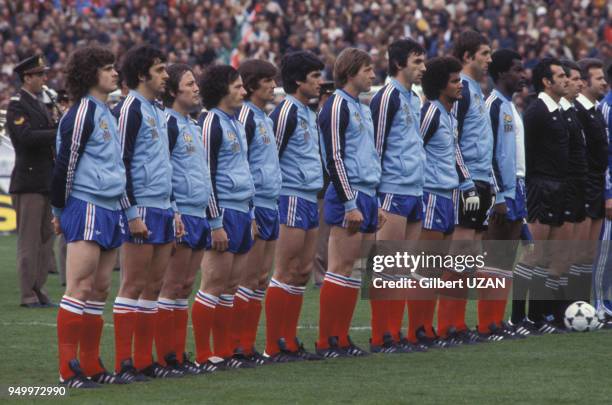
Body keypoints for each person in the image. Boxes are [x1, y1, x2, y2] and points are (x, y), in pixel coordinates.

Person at [51, 45, 128, 387]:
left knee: (99, 290)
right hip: (86, 205)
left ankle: (91, 365)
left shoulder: (107, 112)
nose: (115, 73)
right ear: (89, 74)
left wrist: (125, 207)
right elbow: (64, 164)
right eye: (108, 68)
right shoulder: (81, 112)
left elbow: (117, 166)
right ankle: (67, 370)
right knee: (79, 288)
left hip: (111, 207)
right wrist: (60, 210)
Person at [111, 45, 182, 380]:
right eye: (159, 69)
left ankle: (143, 360)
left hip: (163, 207)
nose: (166, 74)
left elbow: (164, 164)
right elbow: (120, 162)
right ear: (142, 75)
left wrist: (174, 208)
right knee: (133, 284)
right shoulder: (131, 109)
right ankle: (125, 362)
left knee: (154, 286)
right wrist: (130, 212)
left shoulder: (156, 109)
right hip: (140, 208)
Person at [317, 47, 384, 357]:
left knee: (354, 269)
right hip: (350, 194)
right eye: (367, 69)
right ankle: (327, 340)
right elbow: (334, 158)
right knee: (340, 267)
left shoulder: (362, 107)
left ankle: (341, 338)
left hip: (367, 194)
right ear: (350, 72)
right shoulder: (336, 106)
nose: (373, 75)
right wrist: (349, 202)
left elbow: (368, 154)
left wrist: (377, 198)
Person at [192, 65, 255, 369]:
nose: (244, 92)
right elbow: (207, 176)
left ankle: (226, 351)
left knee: (231, 286)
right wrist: (215, 222)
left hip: (242, 210)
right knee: (214, 284)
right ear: (221, 90)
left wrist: (251, 210)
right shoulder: (210, 123)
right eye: (238, 87)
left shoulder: (236, 123)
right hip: (224, 211)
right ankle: (204, 355)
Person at [266, 51, 325, 361]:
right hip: (289, 196)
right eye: (314, 76)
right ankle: (275, 344)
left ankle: (289, 340)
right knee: (286, 269)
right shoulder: (286, 112)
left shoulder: (307, 111)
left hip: (307, 196)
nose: (319, 82)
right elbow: (271, 156)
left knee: (302, 271)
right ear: (299, 80)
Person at [368, 38, 426, 352]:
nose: (423, 68)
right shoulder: (386, 97)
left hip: (414, 188)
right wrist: (375, 196)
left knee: (404, 267)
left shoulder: (413, 98)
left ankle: (395, 331)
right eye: (417, 62)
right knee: (388, 265)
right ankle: (381, 336)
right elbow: (376, 148)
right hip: (392, 188)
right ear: (399, 63)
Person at [156, 64, 212, 374]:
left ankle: (177, 355)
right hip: (181, 213)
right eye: (189, 83)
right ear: (174, 91)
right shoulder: (169, 124)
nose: (196, 88)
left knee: (184, 286)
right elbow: (165, 170)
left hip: (198, 212)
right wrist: (174, 209)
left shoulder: (194, 125)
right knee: (171, 286)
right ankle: (166, 357)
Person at [407, 56, 465, 348]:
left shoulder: (449, 113)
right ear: (441, 85)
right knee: (425, 266)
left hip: (448, 195)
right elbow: (416, 146)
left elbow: (451, 153)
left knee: (437, 266)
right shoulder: (430, 112)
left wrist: (464, 182)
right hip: (430, 194)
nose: (460, 85)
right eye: (454, 81)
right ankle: (417, 330)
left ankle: (426, 329)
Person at [446, 30, 494, 342]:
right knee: (461, 252)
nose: (490, 59)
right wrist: (464, 180)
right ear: (467, 57)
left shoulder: (476, 89)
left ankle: (460, 324)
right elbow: (453, 137)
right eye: (485, 53)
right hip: (466, 181)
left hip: (481, 179)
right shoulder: (460, 90)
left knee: (472, 254)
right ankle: (449, 324)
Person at [235, 59, 281, 364]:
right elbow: (241, 164)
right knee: (247, 277)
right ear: (252, 85)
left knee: (261, 277)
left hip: (270, 202)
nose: (273, 85)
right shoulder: (245, 118)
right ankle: (237, 345)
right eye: (267, 80)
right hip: (253, 204)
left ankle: (249, 346)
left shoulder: (264, 117)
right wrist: (250, 209)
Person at [483, 49, 532, 338]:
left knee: (506, 260)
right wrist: (498, 194)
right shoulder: (492, 105)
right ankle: (487, 323)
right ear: (501, 73)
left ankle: (498, 322)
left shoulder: (511, 106)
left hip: (517, 187)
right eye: (516, 69)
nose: (522, 74)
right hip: (500, 190)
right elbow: (488, 154)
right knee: (494, 257)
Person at [520, 57, 570, 334]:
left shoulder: (557, 110)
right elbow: (526, 150)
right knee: (533, 256)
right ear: (546, 82)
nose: (565, 79)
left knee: (548, 257)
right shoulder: (536, 111)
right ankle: (519, 318)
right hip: (540, 188)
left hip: (558, 188)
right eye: (560, 76)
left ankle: (539, 317)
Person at [6, 54, 56, 308]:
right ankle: (28, 293)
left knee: (46, 239)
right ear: (27, 77)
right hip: (29, 181)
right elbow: (25, 137)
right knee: (29, 241)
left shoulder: (40, 103)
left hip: (45, 180)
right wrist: (56, 132)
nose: (43, 79)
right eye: (39, 75)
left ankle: (39, 288)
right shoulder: (17, 105)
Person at [592, 62, 612, 328]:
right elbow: (605, 157)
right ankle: (598, 303)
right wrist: (608, 193)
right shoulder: (606, 109)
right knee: (606, 250)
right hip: (611, 189)